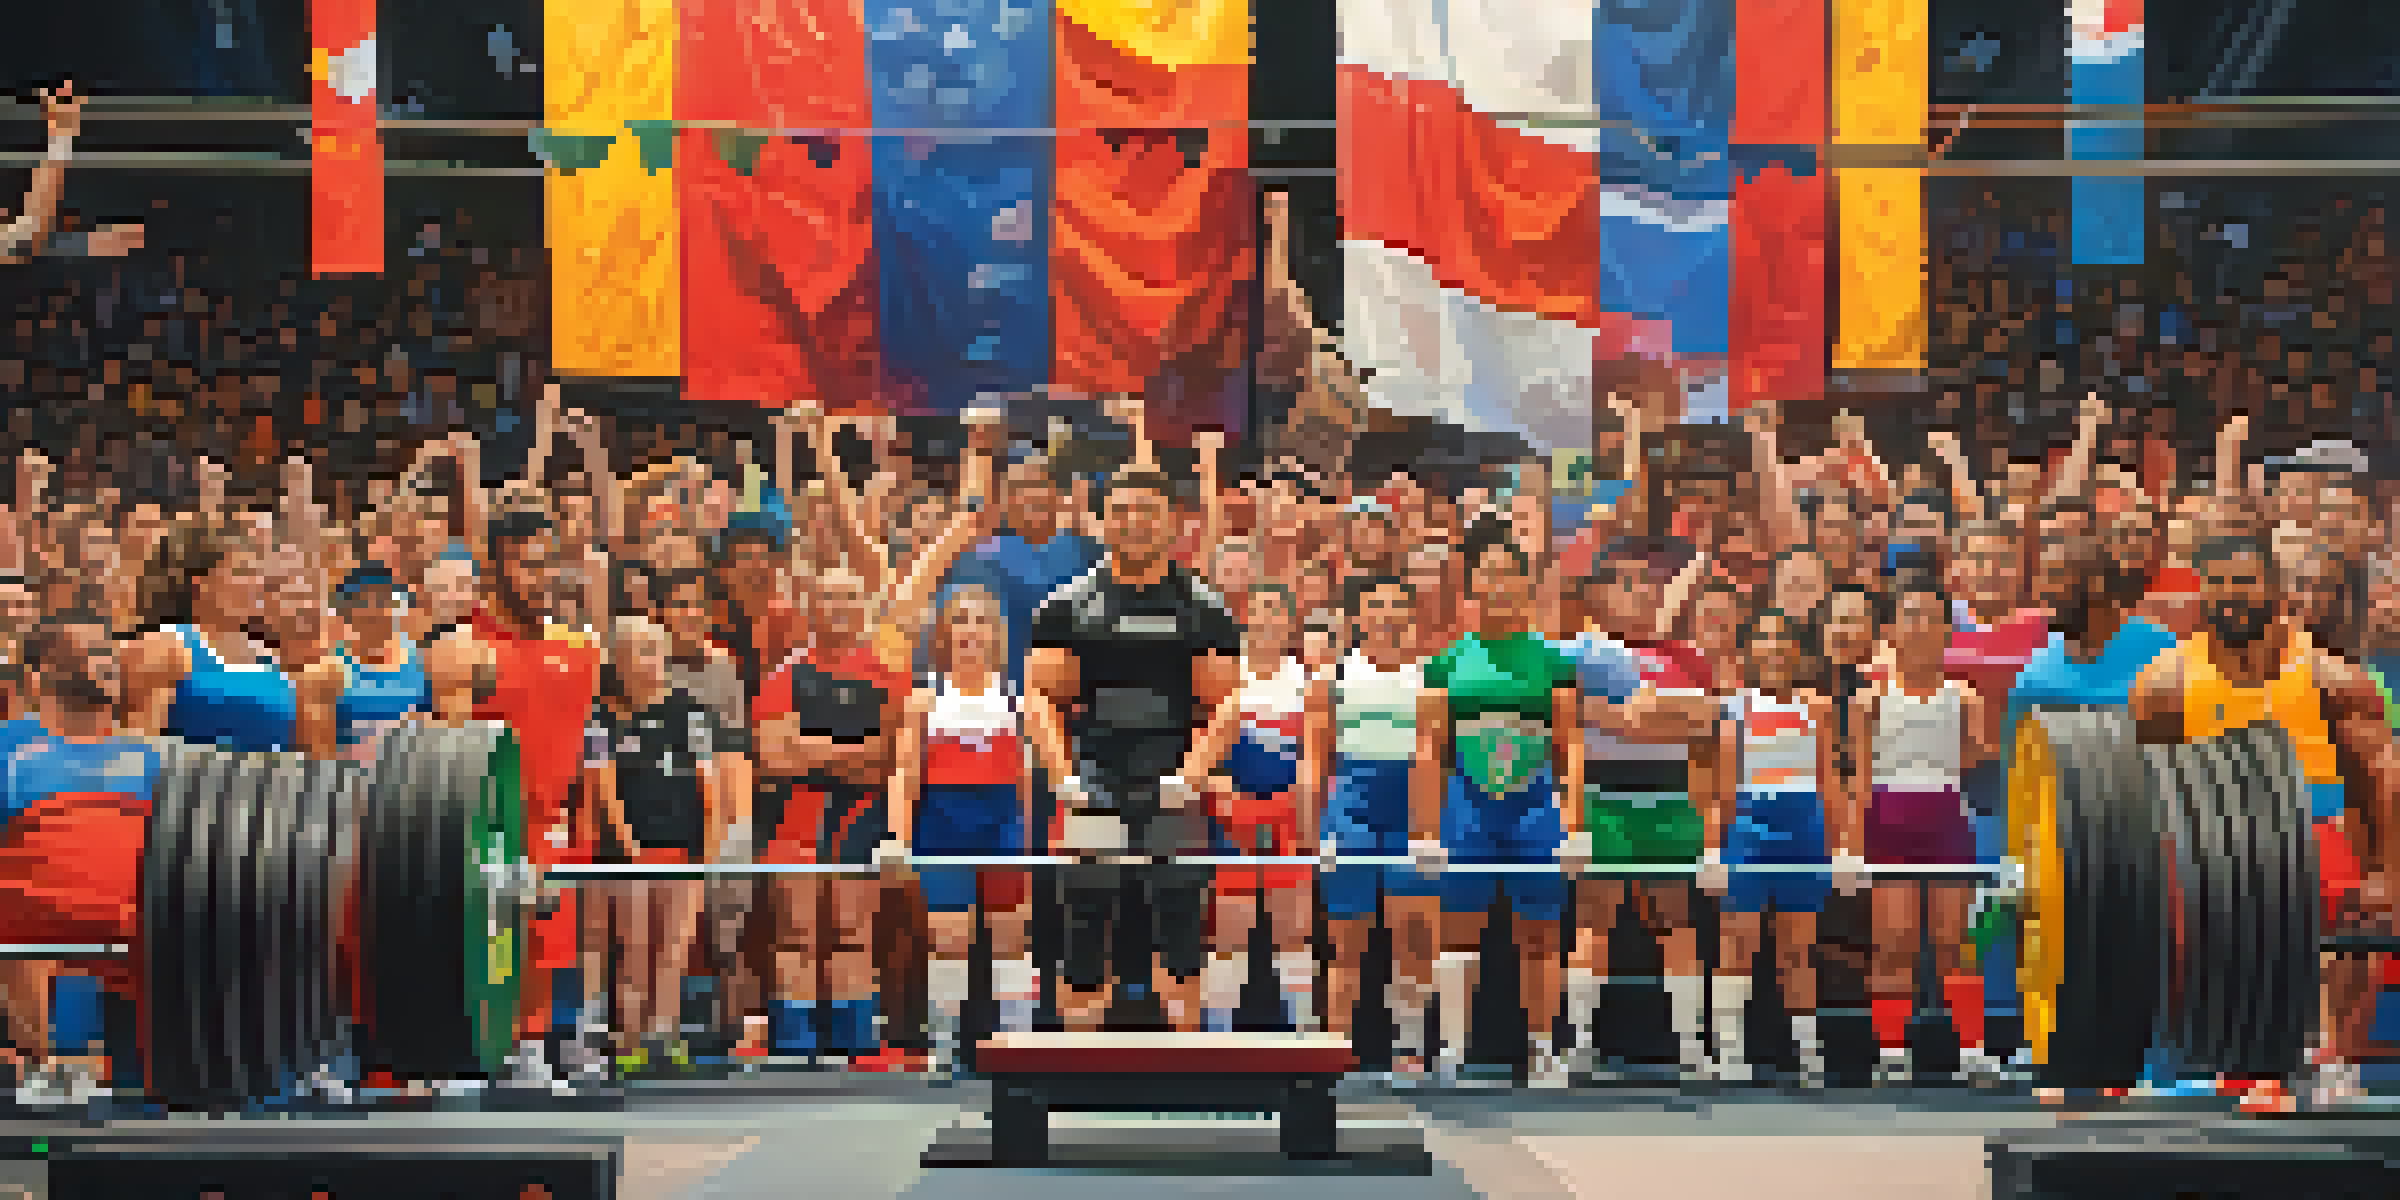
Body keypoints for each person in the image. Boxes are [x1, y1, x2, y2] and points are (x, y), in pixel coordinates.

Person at [2130, 535, 2400, 1115]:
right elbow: (2145, 785)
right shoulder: (2163, 684)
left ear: (2273, 591)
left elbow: (2384, 778)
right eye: (2220, 582)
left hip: (2318, 824)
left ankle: (2332, 1062)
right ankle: (2247, 1062)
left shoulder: (2333, 678)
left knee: (2343, 917)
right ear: (2202, 591)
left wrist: (2386, 872)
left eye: (2246, 581)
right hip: (2211, 834)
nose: (2232, 594)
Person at [1026, 467, 1244, 1033]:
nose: (1135, 522)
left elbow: (1224, 706)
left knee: (1178, 905)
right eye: (1122, 511)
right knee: (1087, 904)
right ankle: (1075, 1055)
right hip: (1094, 773)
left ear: (1172, 522)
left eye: (1148, 510)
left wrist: (1192, 774)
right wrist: (1062, 773)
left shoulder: (1204, 609)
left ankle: (1188, 1050)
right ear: (1102, 522)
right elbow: (1042, 698)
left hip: (1172, 777)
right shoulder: (1066, 608)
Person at [426, 508, 603, 1087]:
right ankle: (463, 1053)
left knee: (546, 943)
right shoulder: (462, 648)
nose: (542, 577)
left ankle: (530, 1051)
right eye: (528, 566)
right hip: (481, 822)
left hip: (552, 824)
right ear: (495, 568)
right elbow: (447, 755)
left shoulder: (578, 648)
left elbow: (582, 744)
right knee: (477, 936)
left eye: (548, 564)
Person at [1419, 518, 1583, 1086]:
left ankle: (1542, 1050)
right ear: (1473, 586)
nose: (1499, 584)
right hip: (1467, 808)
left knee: (1539, 934)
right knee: (1457, 931)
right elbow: (1430, 751)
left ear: (1524, 584)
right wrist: (1425, 829)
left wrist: (1576, 824)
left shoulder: (1551, 661)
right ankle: (1451, 1050)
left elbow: (1571, 746)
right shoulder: (1446, 663)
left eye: (1510, 574)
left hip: (1534, 809)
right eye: (1488, 574)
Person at [1560, 538, 1719, 1080]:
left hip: (1670, 799)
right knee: (1593, 921)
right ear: (1598, 596)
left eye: (1649, 587)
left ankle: (1692, 1044)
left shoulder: (1689, 653)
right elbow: (1577, 717)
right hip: (1604, 798)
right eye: (1628, 586)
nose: (1642, 596)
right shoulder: (1579, 650)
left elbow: (1706, 719)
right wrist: (1648, 714)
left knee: (1678, 923)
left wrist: (1635, 714)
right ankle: (1579, 1043)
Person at [748, 563, 908, 1063]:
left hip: (861, 816)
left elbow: (889, 758)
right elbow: (775, 757)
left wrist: (813, 748)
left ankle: (854, 1043)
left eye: (848, 598)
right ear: (811, 606)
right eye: (828, 597)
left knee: (853, 932)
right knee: (795, 932)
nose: (838, 608)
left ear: (864, 608)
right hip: (794, 818)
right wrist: (853, 751)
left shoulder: (890, 677)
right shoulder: (784, 676)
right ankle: (793, 1044)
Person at [0, 610, 159, 1105]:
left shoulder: (160, 761)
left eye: (108, 648)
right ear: (39, 674)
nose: (107, 659)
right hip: (45, 1026)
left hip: (146, 1008)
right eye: (89, 650)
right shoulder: (11, 759)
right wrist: (35, 1045)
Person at [887, 583, 1037, 1074]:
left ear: (996, 634)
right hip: (942, 826)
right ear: (945, 633)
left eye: (980, 622)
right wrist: (896, 838)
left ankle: (1019, 1045)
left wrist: (1033, 845)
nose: (970, 631)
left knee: (1011, 939)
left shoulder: (1018, 700)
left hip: (1003, 827)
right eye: (961, 621)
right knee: (948, 940)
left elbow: (1028, 783)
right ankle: (945, 1047)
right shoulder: (924, 700)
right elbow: (905, 775)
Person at [1852, 575, 1993, 1081]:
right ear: (1892, 629)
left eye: (1932, 618)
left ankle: (1973, 1051)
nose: (1920, 627)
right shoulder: (1870, 698)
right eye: (1910, 617)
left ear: (1946, 631)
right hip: (1887, 820)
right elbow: (1860, 776)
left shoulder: (1964, 695)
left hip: (1946, 819)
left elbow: (1977, 756)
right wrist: (1852, 845)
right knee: (1894, 939)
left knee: (1954, 941)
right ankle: (1892, 1053)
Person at [583, 615, 730, 1078]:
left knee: (674, 950)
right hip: (628, 854)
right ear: (619, 659)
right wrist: (628, 844)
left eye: (657, 648)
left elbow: (712, 785)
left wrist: (708, 850)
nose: (654, 659)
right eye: (641, 650)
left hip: (682, 849)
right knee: (633, 949)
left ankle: (665, 1036)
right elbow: (601, 783)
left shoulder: (694, 713)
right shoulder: (599, 715)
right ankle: (627, 1041)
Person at [1308, 575, 1441, 1078]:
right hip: (1351, 814)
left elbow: (1432, 753)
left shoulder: (1429, 677)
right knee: (1346, 944)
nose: (1386, 616)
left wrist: (1430, 831)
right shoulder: (1333, 677)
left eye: (1395, 607)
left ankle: (1410, 1051)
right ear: (1358, 619)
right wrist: (1316, 833)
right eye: (1375, 607)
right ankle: (1332, 1053)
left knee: (1414, 938)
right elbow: (1314, 761)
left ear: (1411, 617)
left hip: (1409, 813)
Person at [1709, 607, 1843, 1086]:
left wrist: (1842, 847)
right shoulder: (1735, 708)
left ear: (1797, 652)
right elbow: (1722, 787)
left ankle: (1807, 1054)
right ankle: (1728, 1053)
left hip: (1804, 833)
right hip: (1749, 831)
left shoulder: (1817, 709)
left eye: (1781, 639)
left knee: (1797, 950)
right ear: (1750, 652)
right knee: (1737, 944)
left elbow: (1829, 783)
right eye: (1763, 638)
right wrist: (1713, 849)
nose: (1773, 649)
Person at [1205, 583, 1315, 1033]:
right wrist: (1218, 787)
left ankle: (1305, 1031)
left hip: (1288, 815)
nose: (1267, 619)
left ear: (1290, 623)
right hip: (1235, 818)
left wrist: (1303, 812)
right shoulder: (1225, 678)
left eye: (1276, 610)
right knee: (1229, 931)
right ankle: (1217, 1034)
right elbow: (1200, 751)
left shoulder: (1308, 682)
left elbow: (1318, 755)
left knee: (1294, 932)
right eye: (1259, 610)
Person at [121, 520, 306, 754]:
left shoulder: (273, 658)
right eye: (242, 573)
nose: (257, 585)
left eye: (257, 574)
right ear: (202, 583)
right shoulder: (164, 646)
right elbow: (137, 749)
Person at [323, 562, 429, 766]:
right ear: (347, 610)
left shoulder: (422, 660)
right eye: (362, 602)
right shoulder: (329, 665)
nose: (373, 611)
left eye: (381, 601)